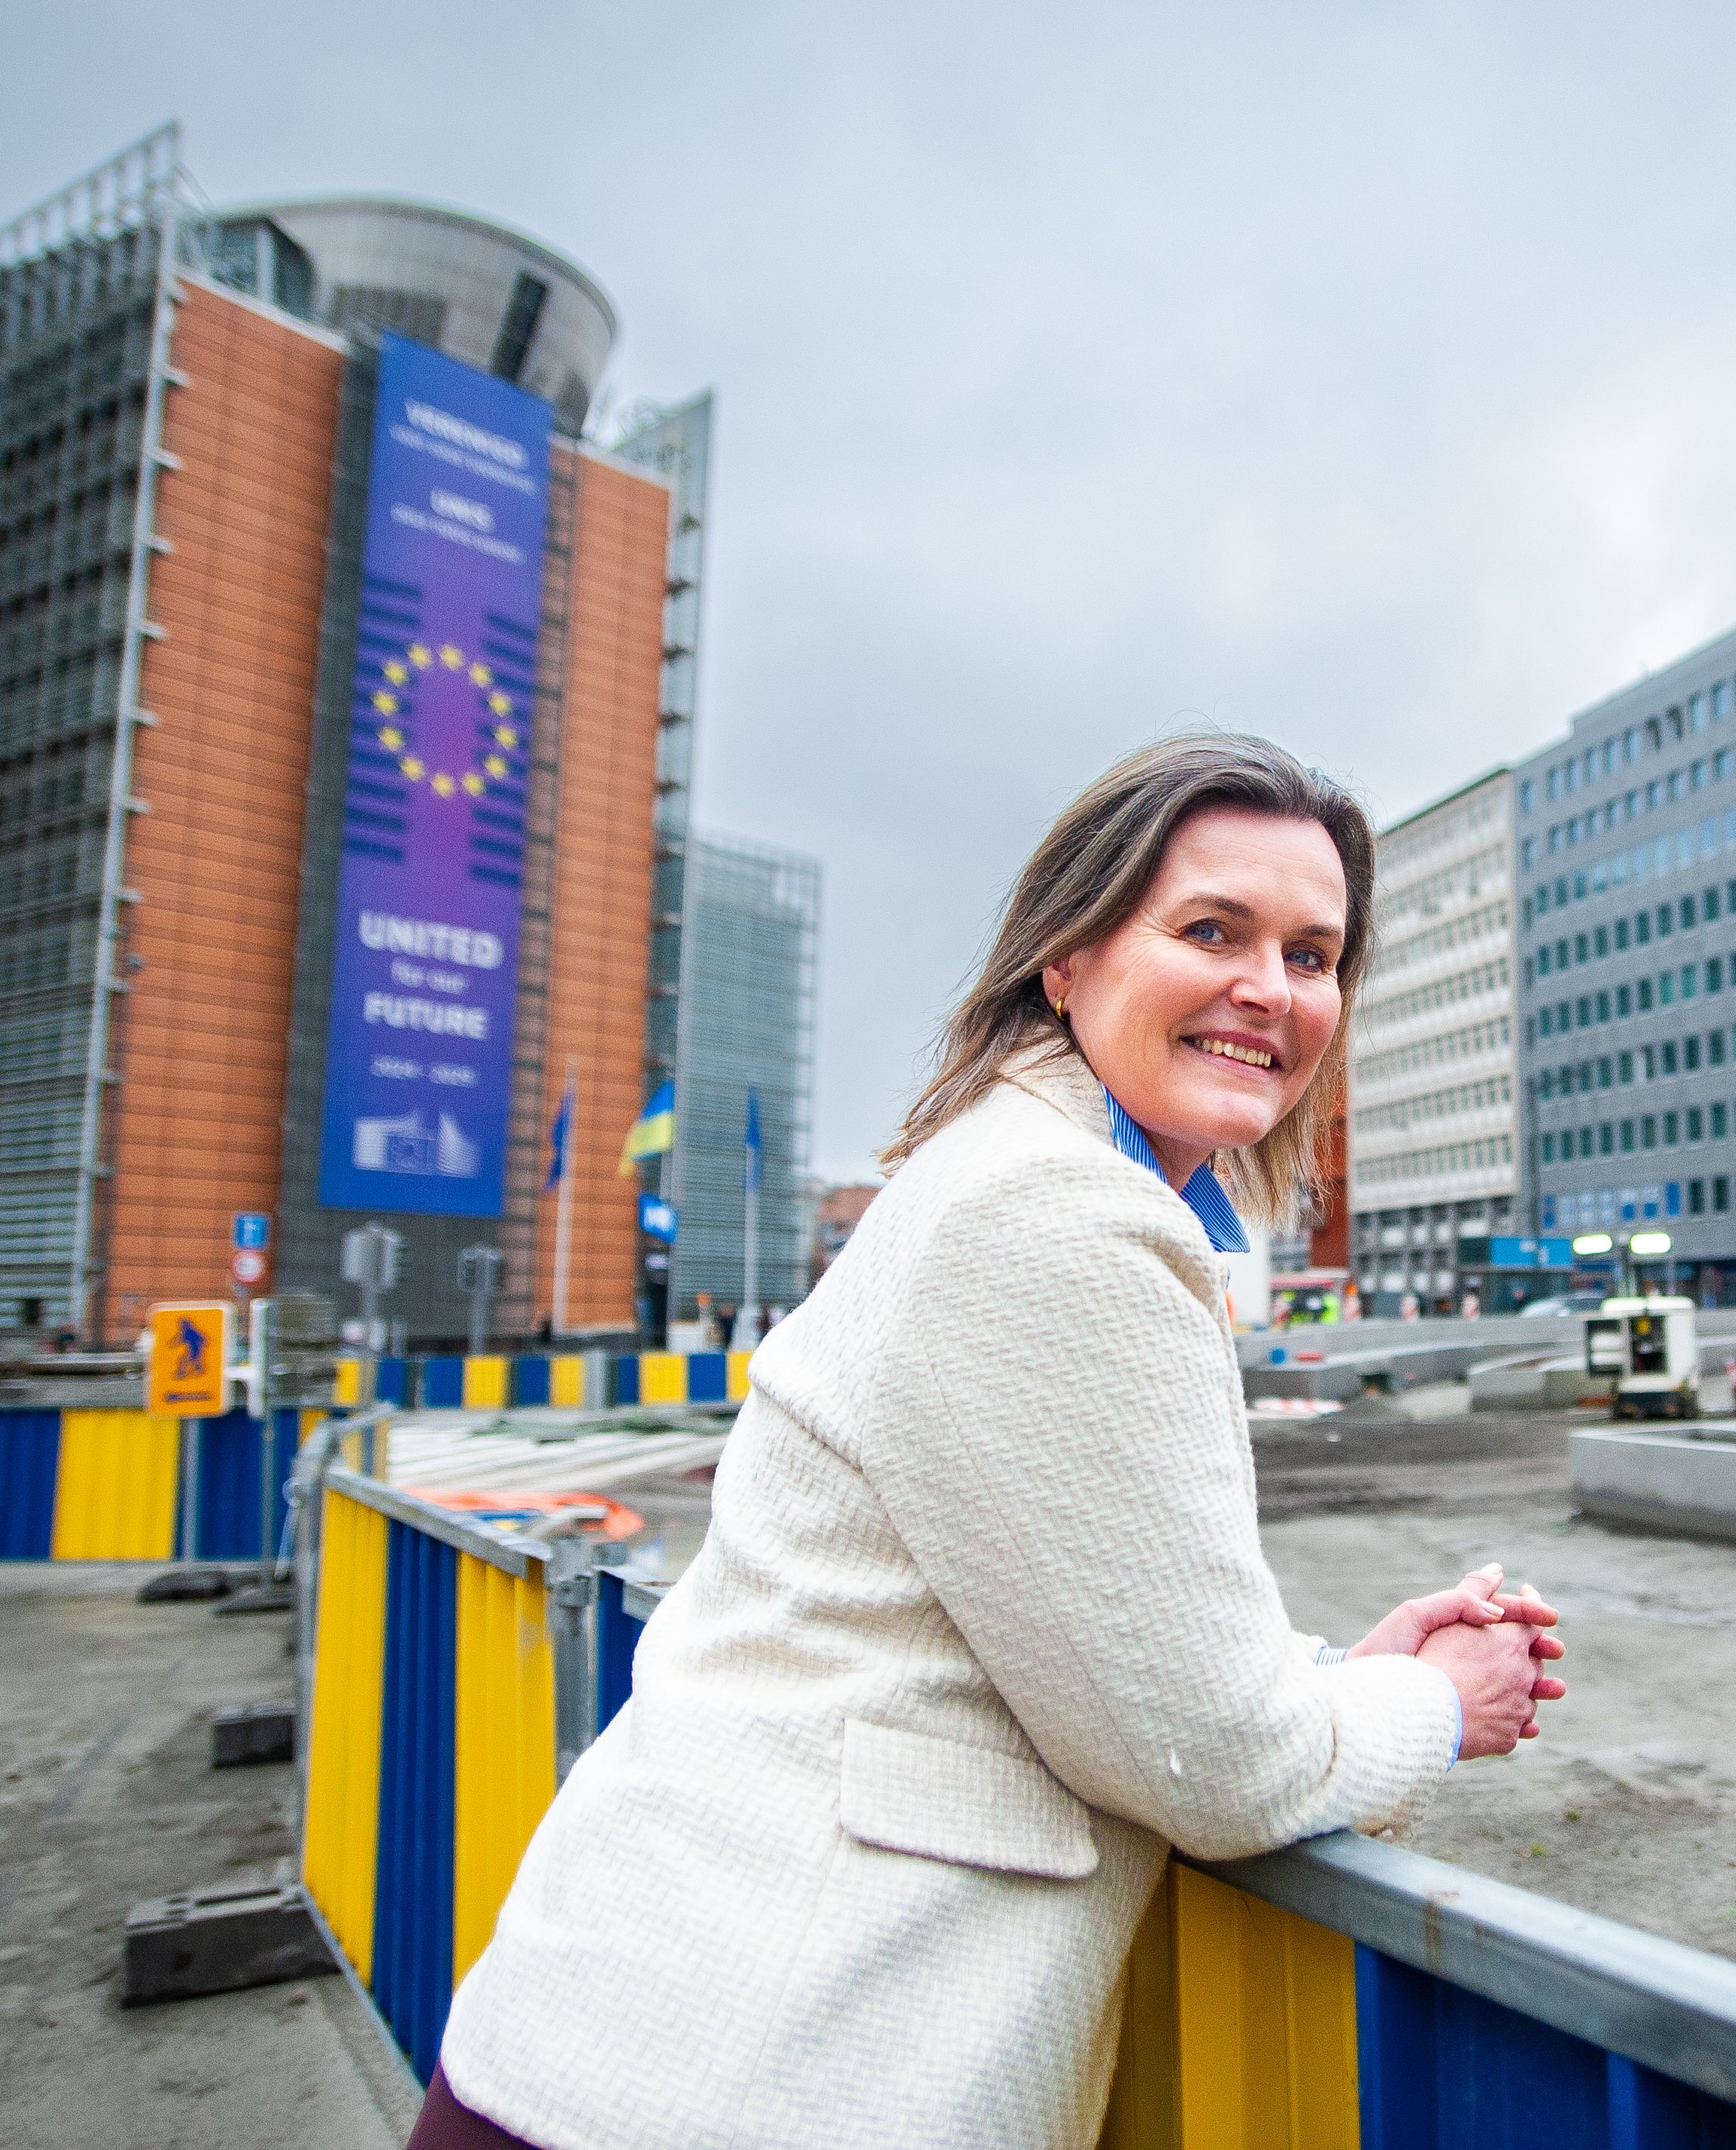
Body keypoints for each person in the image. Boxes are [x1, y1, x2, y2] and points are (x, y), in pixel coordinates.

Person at [427, 738, 1566, 2149]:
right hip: (761, 2075)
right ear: (1068, 962)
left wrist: (1335, 1672)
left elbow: (1050, 1629)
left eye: (1314, 953)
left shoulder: (1007, 1176)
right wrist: (1446, 1705)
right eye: (1211, 930)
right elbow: (1219, 1770)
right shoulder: (1061, 1216)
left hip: (650, 2058)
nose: (1269, 989)